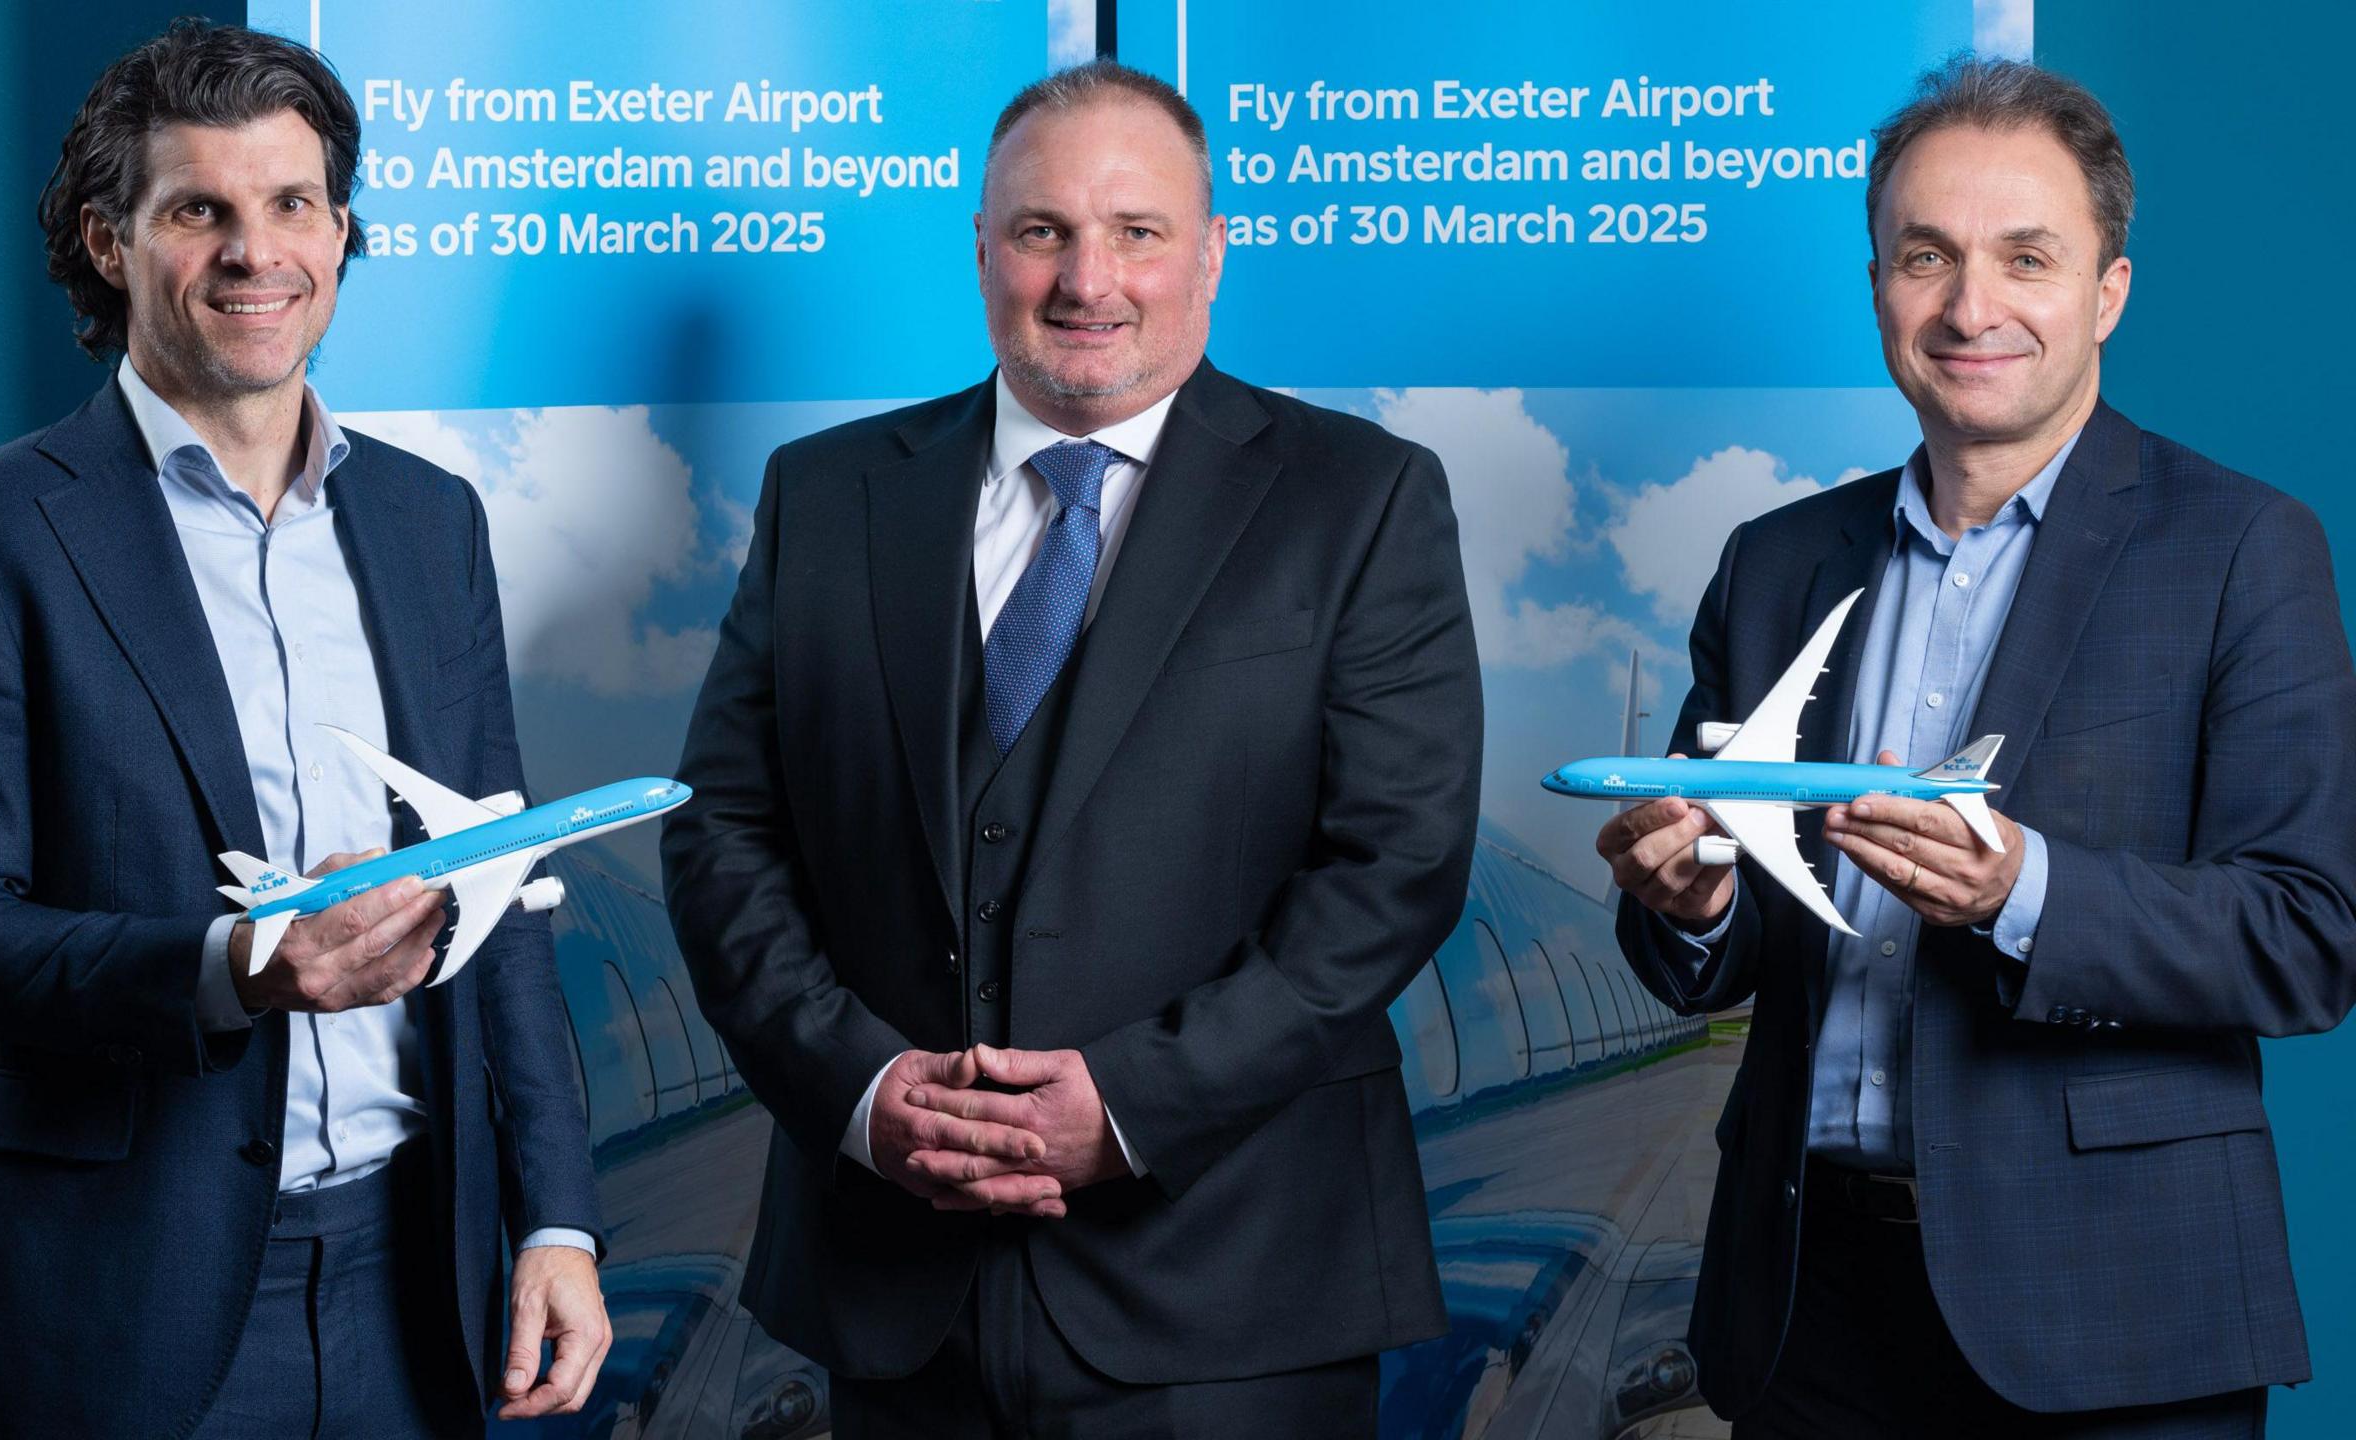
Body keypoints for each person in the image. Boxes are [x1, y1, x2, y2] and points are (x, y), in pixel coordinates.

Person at [659, 59, 1481, 1438]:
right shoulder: (831, 495)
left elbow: (1395, 861)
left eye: (1138, 232)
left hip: (1237, 1293)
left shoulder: (1362, 498)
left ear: (1211, 255)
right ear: (981, 248)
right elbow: (723, 831)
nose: (1088, 279)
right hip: (892, 1291)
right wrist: (863, 1092)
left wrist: (1129, 1103)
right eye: (1042, 230)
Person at [0, 21, 607, 1438]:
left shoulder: (429, 521)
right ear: (107, 238)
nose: (256, 253)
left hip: (415, 1280)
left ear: (340, 232)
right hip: (120, 1300)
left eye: (292, 205)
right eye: (199, 209)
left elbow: (504, 878)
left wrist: (557, 1222)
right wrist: (228, 970)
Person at [1602, 56, 2356, 1439]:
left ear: (2109, 292)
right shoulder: (1773, 565)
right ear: (1877, 283)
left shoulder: (2245, 548)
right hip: (1804, 1307)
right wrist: (1699, 902)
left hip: (2113, 1312)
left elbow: (2308, 935)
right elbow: (1721, 935)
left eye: (2028, 258)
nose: (1971, 307)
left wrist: (2026, 895)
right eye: (1926, 256)